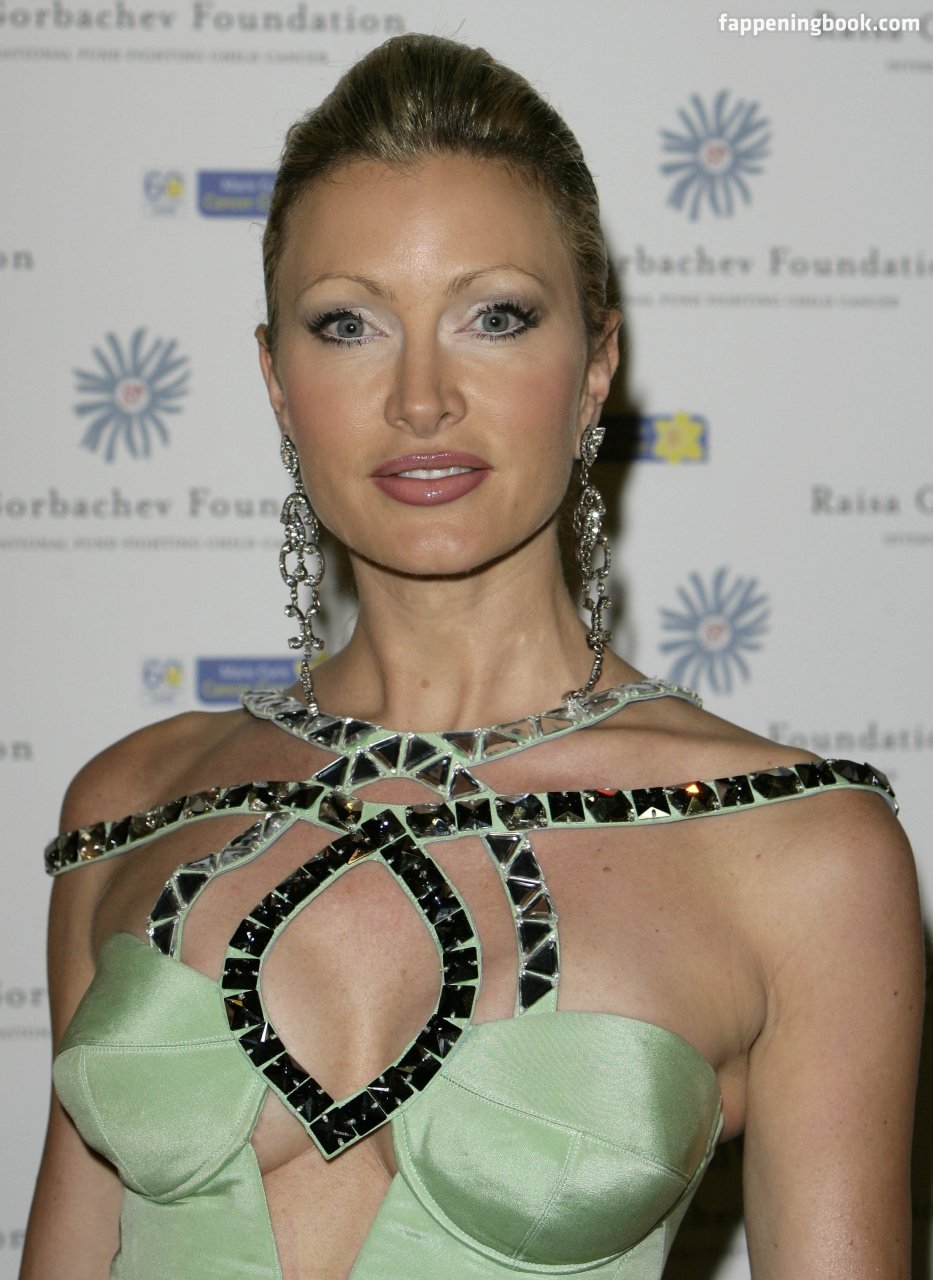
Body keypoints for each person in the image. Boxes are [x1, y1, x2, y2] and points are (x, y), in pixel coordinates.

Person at [21, 32, 922, 1280]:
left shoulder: (796, 850)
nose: (421, 397)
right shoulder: (127, 808)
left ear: (597, 364)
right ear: (277, 380)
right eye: (347, 324)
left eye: (495, 316)